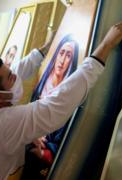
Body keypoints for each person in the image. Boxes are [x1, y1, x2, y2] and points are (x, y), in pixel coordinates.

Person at [0, 22, 122, 180]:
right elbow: (59, 103)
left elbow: (18, 69)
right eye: (11, 78)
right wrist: (106, 44)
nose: (15, 75)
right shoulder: (0, 124)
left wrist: (48, 46)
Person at [22, 34, 79, 179]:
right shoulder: (42, 86)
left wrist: (42, 152)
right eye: (61, 53)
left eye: (68, 56)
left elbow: (64, 137)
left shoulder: (68, 95)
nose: (62, 60)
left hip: (43, 158)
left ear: (72, 62)